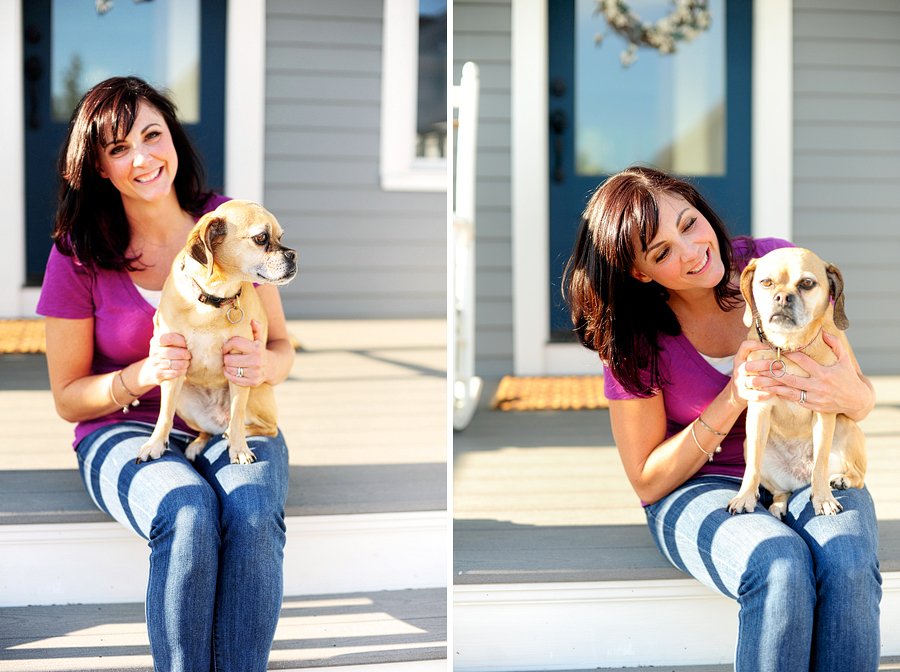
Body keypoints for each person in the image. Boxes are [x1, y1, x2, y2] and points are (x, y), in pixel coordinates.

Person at [564, 166, 881, 672]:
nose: (691, 252)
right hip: (699, 485)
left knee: (845, 560)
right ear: (641, 272)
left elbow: (858, 399)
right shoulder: (633, 337)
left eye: (688, 224)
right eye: (662, 251)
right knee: (778, 564)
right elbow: (647, 480)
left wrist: (850, 396)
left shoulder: (775, 266)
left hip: (806, 462)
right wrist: (734, 395)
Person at [36, 76, 295, 672]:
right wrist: (141, 375)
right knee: (187, 509)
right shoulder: (78, 251)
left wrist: (265, 364)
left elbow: (280, 348)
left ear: (173, 139)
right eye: (119, 148)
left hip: (229, 416)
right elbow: (70, 400)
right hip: (122, 427)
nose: (143, 157)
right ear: (99, 167)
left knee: (252, 513)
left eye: (153, 135)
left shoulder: (228, 225)